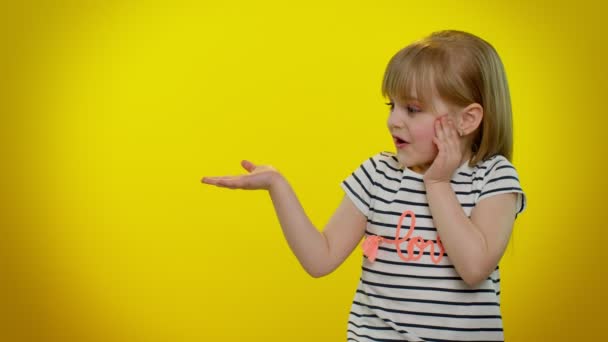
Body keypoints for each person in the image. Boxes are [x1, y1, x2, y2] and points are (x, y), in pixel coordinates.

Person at [201, 30, 526, 341]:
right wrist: (278, 186)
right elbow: (320, 259)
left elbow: (473, 267)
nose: (393, 120)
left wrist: (437, 183)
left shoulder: (494, 178)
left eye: (412, 109)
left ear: (467, 120)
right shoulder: (378, 175)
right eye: (392, 106)